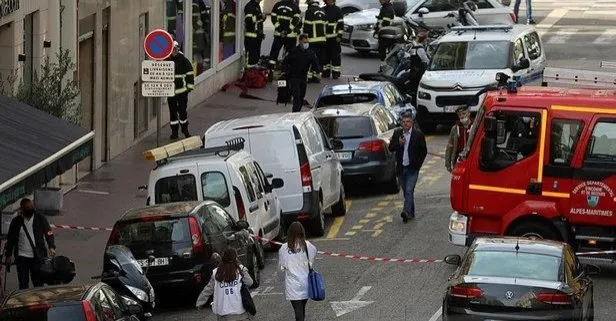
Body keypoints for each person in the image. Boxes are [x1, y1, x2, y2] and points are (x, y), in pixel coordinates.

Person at [3, 198, 56, 289]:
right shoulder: (16, 222)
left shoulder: (40, 218)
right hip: (22, 257)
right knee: (23, 283)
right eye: (28, 208)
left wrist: (51, 246)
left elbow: (48, 232)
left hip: (38, 256)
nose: (31, 210)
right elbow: (11, 239)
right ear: (22, 209)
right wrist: (8, 255)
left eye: (32, 208)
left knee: (38, 282)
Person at [388, 111, 427, 223]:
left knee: (409, 190)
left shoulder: (418, 135)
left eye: (408, 122)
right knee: (406, 192)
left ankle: (405, 211)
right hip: (401, 168)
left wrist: (418, 165)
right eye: (404, 122)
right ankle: (411, 212)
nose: (406, 124)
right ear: (401, 123)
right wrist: (398, 144)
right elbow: (391, 148)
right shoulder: (397, 134)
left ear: (412, 123)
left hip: (412, 168)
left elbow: (423, 151)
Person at [196, 248, 254, 320]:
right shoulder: (240, 269)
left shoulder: (217, 272)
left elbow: (208, 289)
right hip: (239, 311)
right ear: (235, 258)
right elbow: (250, 282)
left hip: (223, 312)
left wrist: (200, 302)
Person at [278, 222, 317, 321]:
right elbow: (312, 256)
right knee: (302, 308)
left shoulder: (284, 248)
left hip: (293, 285)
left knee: (298, 310)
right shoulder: (308, 246)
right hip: (306, 283)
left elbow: (281, 267)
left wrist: (281, 278)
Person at [281, 34, 321, 112]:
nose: (306, 44)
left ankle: (297, 110)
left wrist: (318, 73)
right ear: (300, 41)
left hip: (303, 78)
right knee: (296, 96)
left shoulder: (310, 53)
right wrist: (284, 71)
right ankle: (295, 112)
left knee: (301, 96)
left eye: (307, 42)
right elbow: (285, 61)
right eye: (304, 42)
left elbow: (315, 63)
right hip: (294, 78)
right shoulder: (294, 51)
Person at [166, 41, 195, 139]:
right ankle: (174, 132)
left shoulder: (183, 61)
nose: (173, 52)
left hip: (182, 92)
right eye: (171, 50)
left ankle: (185, 129)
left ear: (177, 49)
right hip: (171, 93)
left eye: (174, 49)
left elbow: (190, 74)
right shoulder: (167, 61)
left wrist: (189, 88)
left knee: (182, 112)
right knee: (173, 113)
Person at [268, 0, 302, 70]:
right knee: (290, 54)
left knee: (274, 53)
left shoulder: (277, 4)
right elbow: (296, 20)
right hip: (290, 36)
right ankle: (287, 70)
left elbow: (273, 18)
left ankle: (270, 71)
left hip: (279, 34)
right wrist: (287, 31)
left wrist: (280, 30)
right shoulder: (295, 6)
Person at [302, 0, 327, 83]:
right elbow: (326, 25)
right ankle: (317, 77)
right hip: (323, 40)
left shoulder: (309, 11)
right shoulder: (323, 11)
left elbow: (307, 26)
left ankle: (309, 77)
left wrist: (304, 38)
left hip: (313, 41)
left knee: (311, 59)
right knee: (319, 60)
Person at [445, 106, 473, 173]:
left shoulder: (474, 127)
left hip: (471, 160)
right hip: (458, 160)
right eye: (460, 115)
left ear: (469, 113)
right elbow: (450, 146)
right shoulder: (455, 129)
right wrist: (448, 163)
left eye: (464, 113)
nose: (462, 116)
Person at [322, 0, 343, 79]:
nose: (329, 1)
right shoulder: (322, 10)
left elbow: (340, 24)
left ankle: (336, 73)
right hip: (325, 38)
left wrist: (339, 36)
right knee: (325, 56)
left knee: (335, 56)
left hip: (334, 38)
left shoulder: (337, 10)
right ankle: (325, 72)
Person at [244, 0, 266, 67]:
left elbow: (257, 22)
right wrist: (260, 16)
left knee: (256, 57)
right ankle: (250, 72)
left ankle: (254, 73)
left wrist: (262, 18)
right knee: (251, 58)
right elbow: (248, 20)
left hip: (257, 37)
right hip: (251, 37)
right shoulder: (250, 6)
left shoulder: (257, 5)